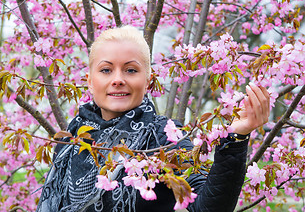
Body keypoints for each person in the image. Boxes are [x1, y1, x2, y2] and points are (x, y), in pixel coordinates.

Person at [36, 26, 270, 212]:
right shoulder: (73, 139)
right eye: (106, 70)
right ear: (89, 79)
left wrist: (236, 138)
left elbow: (208, 207)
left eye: (131, 70)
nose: (118, 79)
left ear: (148, 80)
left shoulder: (164, 137)